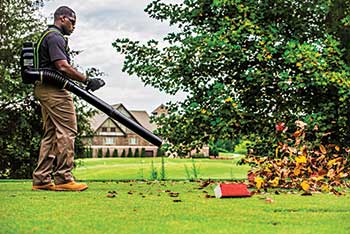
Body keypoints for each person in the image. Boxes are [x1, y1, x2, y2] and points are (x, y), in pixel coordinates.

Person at [32, 6, 104, 191]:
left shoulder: (46, 35)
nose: (74, 26)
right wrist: (87, 80)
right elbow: (62, 66)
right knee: (67, 131)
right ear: (62, 18)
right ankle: (64, 178)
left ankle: (41, 180)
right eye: (72, 22)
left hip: (44, 89)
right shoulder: (55, 37)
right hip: (55, 91)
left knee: (50, 134)